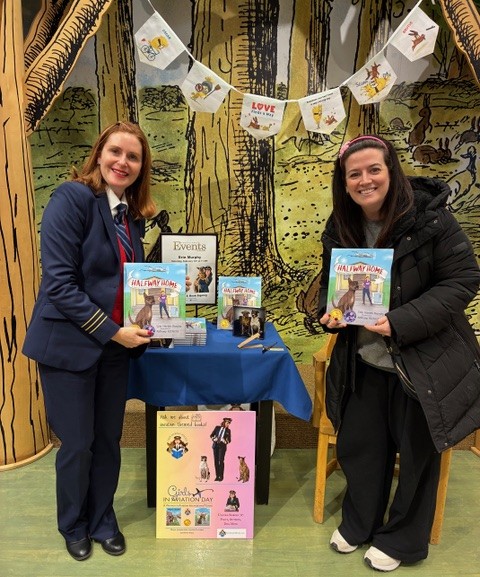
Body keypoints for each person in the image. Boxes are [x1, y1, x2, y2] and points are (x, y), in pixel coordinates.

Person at [317, 135, 480, 572]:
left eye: (374, 169)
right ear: (344, 182)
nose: (365, 180)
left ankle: (403, 538)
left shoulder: (431, 218)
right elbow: (331, 285)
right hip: (364, 362)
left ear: (391, 171)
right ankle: (359, 523)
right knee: (361, 448)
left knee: (416, 456)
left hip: (422, 362)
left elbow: (463, 279)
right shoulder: (341, 225)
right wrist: (329, 314)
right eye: (354, 174)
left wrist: (401, 321)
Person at [22, 122, 157, 561]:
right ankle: (73, 524)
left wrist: (149, 319)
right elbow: (59, 285)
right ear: (99, 154)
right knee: (78, 444)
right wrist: (115, 331)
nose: (123, 162)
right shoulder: (72, 198)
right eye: (116, 151)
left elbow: (126, 284)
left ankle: (102, 519)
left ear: (141, 167)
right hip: (69, 347)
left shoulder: (130, 218)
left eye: (133, 157)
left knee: (107, 441)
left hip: (114, 349)